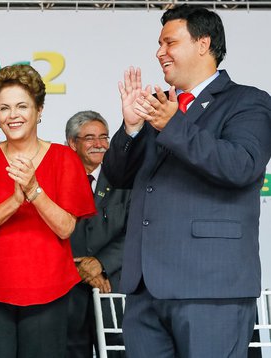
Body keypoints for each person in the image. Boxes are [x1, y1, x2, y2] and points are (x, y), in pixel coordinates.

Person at [103, 5, 271, 357]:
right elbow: (118, 177)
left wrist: (173, 125)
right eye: (159, 44)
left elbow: (242, 166)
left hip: (211, 287)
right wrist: (132, 127)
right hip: (146, 289)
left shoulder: (248, 102)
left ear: (202, 43)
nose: (159, 52)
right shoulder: (161, 109)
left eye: (169, 42)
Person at [0, 64, 96, 357]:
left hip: (48, 288)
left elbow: (65, 228)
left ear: (39, 110)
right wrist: (14, 201)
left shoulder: (64, 159)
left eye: (22, 106)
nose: (13, 115)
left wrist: (35, 191)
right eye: (4, 108)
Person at [65, 110, 130, 358]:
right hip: (68, 291)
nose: (99, 144)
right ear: (72, 143)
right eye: (90, 138)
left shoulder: (125, 179)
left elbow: (136, 231)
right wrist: (81, 268)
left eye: (104, 137)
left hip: (113, 287)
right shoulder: (54, 182)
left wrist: (101, 264)